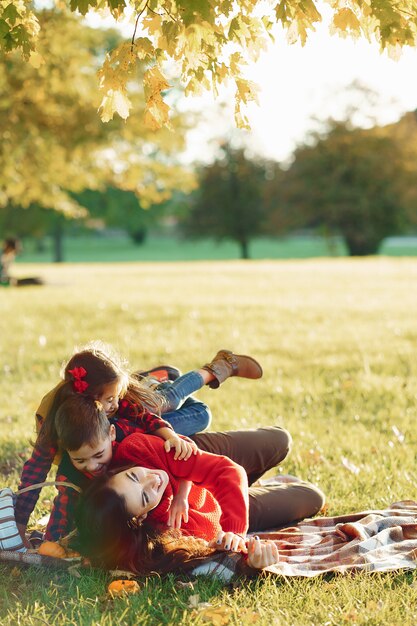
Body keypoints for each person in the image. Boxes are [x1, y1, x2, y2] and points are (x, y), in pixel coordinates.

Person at [15, 341, 263, 542]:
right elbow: (37, 472)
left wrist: (170, 437)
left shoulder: (121, 409)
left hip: (150, 418)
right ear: (89, 401)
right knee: (188, 412)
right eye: (109, 400)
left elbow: (148, 420)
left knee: (190, 410)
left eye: (114, 398)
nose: (114, 404)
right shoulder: (63, 425)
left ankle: (213, 368)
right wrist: (20, 522)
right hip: (126, 430)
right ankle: (157, 378)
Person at [74, 421, 324, 576]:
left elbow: (227, 471)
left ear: (119, 470)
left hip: (197, 457)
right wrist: (239, 549)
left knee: (280, 440)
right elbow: (213, 562)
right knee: (313, 497)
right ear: (139, 518)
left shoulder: (137, 450)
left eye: (134, 476)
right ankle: (241, 495)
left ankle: (238, 492)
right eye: (144, 495)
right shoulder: (160, 539)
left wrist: (236, 530)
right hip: (212, 513)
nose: (152, 480)